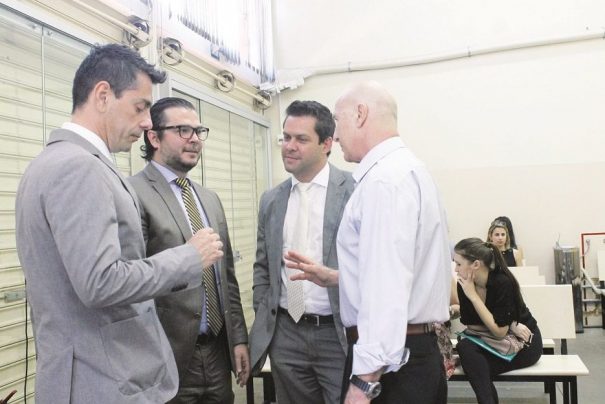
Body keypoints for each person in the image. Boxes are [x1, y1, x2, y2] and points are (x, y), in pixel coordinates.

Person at [15, 44, 224, 403]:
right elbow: (101, 282)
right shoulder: (78, 167)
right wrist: (188, 257)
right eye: (140, 107)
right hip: (101, 381)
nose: (146, 122)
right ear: (102, 95)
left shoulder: (52, 162)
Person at [288, 81, 451, 404]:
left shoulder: (383, 182)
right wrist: (338, 277)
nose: (335, 133)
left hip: (391, 367)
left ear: (360, 114)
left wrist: (364, 383)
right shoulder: (410, 171)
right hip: (414, 355)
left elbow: (386, 286)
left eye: (338, 120)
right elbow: (405, 268)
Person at [128, 97, 249, 403]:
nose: (194, 139)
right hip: (168, 357)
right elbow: (132, 280)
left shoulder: (208, 199)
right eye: (183, 130)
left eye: (198, 131)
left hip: (218, 353)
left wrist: (238, 339)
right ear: (153, 137)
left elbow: (227, 278)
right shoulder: (132, 193)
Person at [249, 100, 354, 404]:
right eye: (286, 137)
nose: (289, 146)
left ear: (327, 143)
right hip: (287, 332)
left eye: (301, 139)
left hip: (336, 334)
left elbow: (372, 265)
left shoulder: (354, 192)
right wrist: (265, 311)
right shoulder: (271, 200)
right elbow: (262, 266)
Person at [452, 238, 542, 404]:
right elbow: (471, 324)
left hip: (523, 345)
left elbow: (499, 332)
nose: (456, 269)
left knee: (473, 364)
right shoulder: (464, 284)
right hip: (489, 342)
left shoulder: (502, 282)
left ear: (476, 265)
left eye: (458, 264)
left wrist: (473, 296)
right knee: (466, 348)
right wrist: (507, 325)